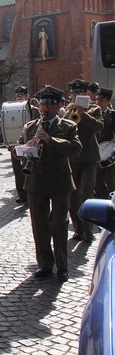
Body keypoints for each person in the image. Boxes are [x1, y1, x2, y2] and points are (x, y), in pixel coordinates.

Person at [17, 85, 81, 282]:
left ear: (59, 105)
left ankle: (62, 266)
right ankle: (45, 264)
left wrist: (50, 139)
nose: (45, 108)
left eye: (50, 104)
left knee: (59, 223)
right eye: (42, 104)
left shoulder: (68, 126)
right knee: (39, 225)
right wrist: (24, 149)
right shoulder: (30, 127)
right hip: (36, 181)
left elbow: (76, 148)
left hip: (60, 182)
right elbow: (17, 148)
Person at [65, 79, 103, 243]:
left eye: (80, 93)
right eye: (75, 93)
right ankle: (78, 229)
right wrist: (70, 112)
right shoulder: (65, 110)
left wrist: (83, 114)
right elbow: (62, 127)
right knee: (73, 196)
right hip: (72, 158)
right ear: (71, 95)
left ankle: (88, 230)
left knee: (86, 193)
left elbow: (99, 127)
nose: (77, 95)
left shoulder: (95, 109)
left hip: (89, 158)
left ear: (85, 94)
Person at [9, 86, 41, 204]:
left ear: (27, 96)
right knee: (17, 170)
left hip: (29, 143)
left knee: (28, 168)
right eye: (17, 95)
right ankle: (22, 194)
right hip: (14, 143)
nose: (19, 97)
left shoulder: (34, 110)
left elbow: (38, 125)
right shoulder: (11, 109)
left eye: (21, 95)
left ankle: (30, 191)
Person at [95, 87, 115, 200]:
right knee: (97, 181)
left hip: (111, 152)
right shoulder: (93, 114)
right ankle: (101, 202)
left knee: (111, 180)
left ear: (108, 101)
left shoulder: (113, 115)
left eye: (101, 100)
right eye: (97, 99)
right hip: (96, 151)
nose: (98, 102)